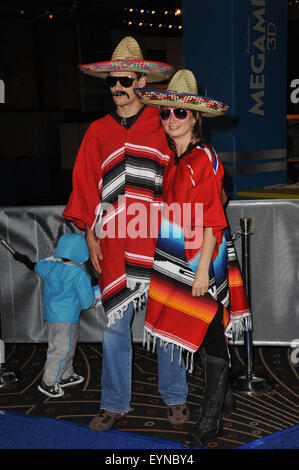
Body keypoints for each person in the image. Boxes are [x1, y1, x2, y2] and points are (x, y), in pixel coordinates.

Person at [62, 37, 191, 431]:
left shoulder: (163, 123)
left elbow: (182, 175)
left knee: (166, 319)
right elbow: (84, 186)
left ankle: (176, 398)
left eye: (125, 80)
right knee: (115, 325)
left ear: (141, 82)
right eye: (112, 82)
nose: (117, 88)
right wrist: (89, 236)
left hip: (158, 239)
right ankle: (115, 403)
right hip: (115, 241)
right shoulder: (98, 131)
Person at [135, 69, 251, 447]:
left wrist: (202, 268)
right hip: (180, 256)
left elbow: (213, 219)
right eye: (166, 113)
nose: (171, 119)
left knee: (210, 334)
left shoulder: (204, 158)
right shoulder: (174, 160)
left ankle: (210, 421)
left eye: (180, 113)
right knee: (200, 330)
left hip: (203, 254)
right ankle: (226, 395)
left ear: (196, 118)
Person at [35, 233, 96, 398]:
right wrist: (93, 302)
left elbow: (39, 265)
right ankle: (48, 383)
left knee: (65, 347)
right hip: (67, 318)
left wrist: (55, 256)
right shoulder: (79, 274)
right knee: (62, 350)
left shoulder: (51, 267)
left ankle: (65, 376)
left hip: (53, 316)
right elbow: (86, 302)